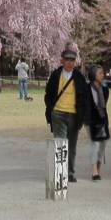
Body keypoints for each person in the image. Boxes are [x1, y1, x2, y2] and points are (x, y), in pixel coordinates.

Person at [44, 46, 89, 183]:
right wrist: (51, 109)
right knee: (60, 144)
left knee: (72, 146)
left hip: (74, 115)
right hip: (58, 113)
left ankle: (70, 172)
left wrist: (83, 116)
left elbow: (85, 98)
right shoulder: (56, 75)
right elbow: (49, 94)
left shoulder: (79, 78)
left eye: (72, 60)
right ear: (62, 61)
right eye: (67, 59)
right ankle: (60, 171)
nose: (70, 62)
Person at [85, 65, 110, 181]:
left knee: (103, 144)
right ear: (94, 75)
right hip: (91, 120)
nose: (102, 75)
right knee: (95, 144)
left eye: (102, 73)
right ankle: (94, 171)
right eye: (100, 73)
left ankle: (98, 167)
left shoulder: (104, 89)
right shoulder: (86, 88)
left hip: (102, 119)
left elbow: (105, 103)